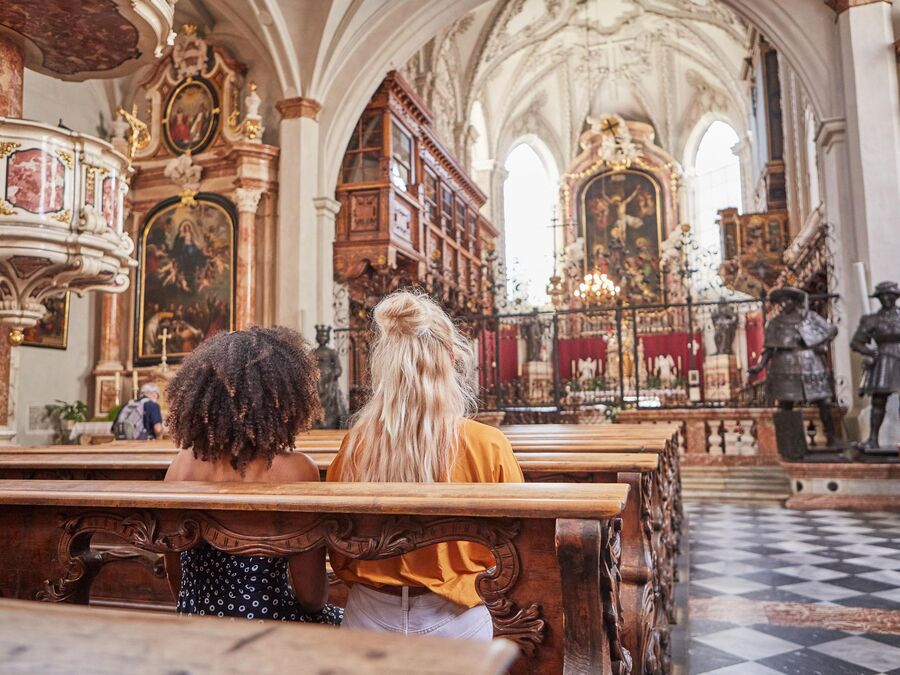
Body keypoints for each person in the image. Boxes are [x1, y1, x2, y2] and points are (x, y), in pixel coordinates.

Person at [327, 290, 524, 641]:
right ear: (451, 360)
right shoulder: (488, 445)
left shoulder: (355, 446)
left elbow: (338, 539)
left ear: (383, 365)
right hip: (458, 621)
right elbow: (518, 544)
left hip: (368, 616)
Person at [162, 326, 342, 625]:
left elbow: (177, 580)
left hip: (195, 624)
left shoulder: (180, 467)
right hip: (268, 626)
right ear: (282, 397)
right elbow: (311, 597)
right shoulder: (297, 470)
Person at [748, 287, 838, 453]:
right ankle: (790, 443)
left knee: (823, 401)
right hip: (785, 364)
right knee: (786, 404)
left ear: (794, 301)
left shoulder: (809, 317)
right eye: (781, 301)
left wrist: (818, 342)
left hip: (809, 361)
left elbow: (830, 330)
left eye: (787, 300)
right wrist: (760, 365)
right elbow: (768, 348)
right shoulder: (774, 323)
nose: (783, 304)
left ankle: (832, 437)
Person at [850, 281, 900, 450]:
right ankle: (872, 439)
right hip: (884, 359)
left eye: (890, 296)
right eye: (883, 296)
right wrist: (870, 352)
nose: (886, 299)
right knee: (878, 400)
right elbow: (856, 342)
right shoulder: (872, 319)